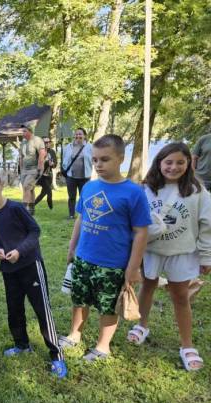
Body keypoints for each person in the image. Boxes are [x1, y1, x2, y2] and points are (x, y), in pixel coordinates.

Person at [60, 134, 151, 361]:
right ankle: (74, 335)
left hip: (112, 265)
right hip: (83, 258)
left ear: (120, 158)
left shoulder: (134, 192)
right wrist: (72, 248)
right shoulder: (90, 187)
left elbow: (141, 232)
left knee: (107, 306)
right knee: (79, 300)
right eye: (96, 159)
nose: (99, 164)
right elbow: (81, 218)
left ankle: (102, 347)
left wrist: (133, 267)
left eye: (105, 159)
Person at [127, 143, 211, 371]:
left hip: (182, 252)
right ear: (159, 163)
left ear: (189, 164)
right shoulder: (146, 189)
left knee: (181, 296)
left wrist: (206, 257)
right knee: (148, 286)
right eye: (168, 162)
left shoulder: (198, 192)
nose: (174, 167)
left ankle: (187, 345)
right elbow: (134, 222)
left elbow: (207, 226)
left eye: (180, 162)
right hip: (152, 251)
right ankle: (142, 325)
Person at [0, 169, 66, 378]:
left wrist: (19, 251)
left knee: (42, 310)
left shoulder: (16, 208)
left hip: (30, 266)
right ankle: (22, 345)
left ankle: (56, 355)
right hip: (9, 270)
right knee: (14, 309)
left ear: (1, 184)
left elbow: (35, 231)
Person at [62, 128, 93, 219]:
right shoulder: (68, 147)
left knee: (84, 196)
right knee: (71, 196)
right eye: (76, 134)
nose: (78, 136)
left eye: (80, 134)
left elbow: (94, 159)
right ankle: (71, 215)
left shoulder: (90, 147)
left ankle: (83, 215)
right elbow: (64, 160)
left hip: (85, 177)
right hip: (71, 177)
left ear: (84, 136)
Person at [18, 125, 46, 215]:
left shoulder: (37, 140)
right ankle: (32, 208)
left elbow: (42, 154)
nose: (23, 133)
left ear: (30, 131)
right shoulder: (23, 142)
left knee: (27, 186)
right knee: (30, 189)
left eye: (25, 131)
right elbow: (21, 157)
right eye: (22, 131)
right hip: (25, 170)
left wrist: (39, 169)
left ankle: (23, 210)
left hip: (35, 169)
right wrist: (21, 169)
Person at [33, 137, 57, 210]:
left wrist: (52, 164)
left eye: (48, 142)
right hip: (41, 175)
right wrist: (45, 162)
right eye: (45, 142)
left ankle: (32, 205)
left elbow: (55, 164)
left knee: (43, 193)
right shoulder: (38, 152)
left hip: (49, 175)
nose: (47, 144)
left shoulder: (52, 152)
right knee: (49, 191)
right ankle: (50, 204)